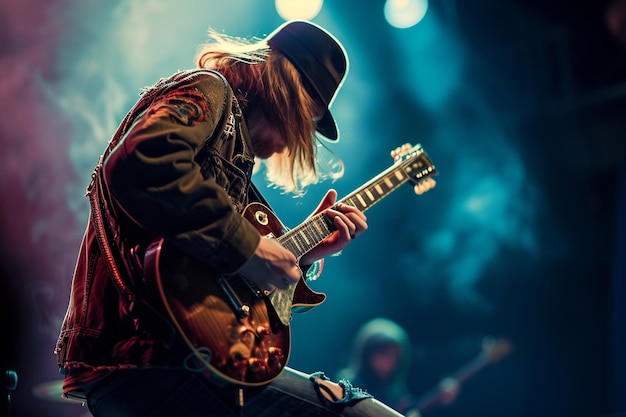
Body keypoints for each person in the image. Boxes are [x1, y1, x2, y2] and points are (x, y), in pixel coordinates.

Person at [54, 20, 433, 417]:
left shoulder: (233, 157)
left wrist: (302, 255)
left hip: (168, 361)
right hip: (150, 357)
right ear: (292, 91)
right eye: (309, 117)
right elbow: (142, 161)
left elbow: (209, 268)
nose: (299, 137)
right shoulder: (209, 89)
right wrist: (250, 247)